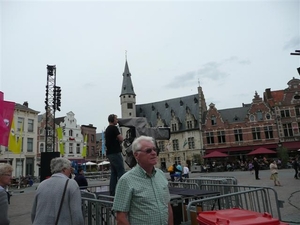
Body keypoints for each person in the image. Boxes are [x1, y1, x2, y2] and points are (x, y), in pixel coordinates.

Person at [113, 136, 173, 225]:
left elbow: (168, 207)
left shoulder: (160, 175)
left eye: (154, 149)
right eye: (148, 151)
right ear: (136, 155)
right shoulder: (126, 180)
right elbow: (121, 218)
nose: (153, 153)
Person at [31, 158, 84, 225]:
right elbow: (76, 214)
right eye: (69, 169)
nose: (70, 171)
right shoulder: (71, 184)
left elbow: (33, 213)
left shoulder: (41, 184)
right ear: (64, 169)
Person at [105, 114, 125, 196]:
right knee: (121, 172)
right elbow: (121, 138)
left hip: (110, 153)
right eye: (116, 119)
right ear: (112, 120)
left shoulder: (107, 129)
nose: (117, 120)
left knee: (113, 173)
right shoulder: (114, 128)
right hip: (115, 152)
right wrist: (120, 140)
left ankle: (112, 193)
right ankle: (122, 192)